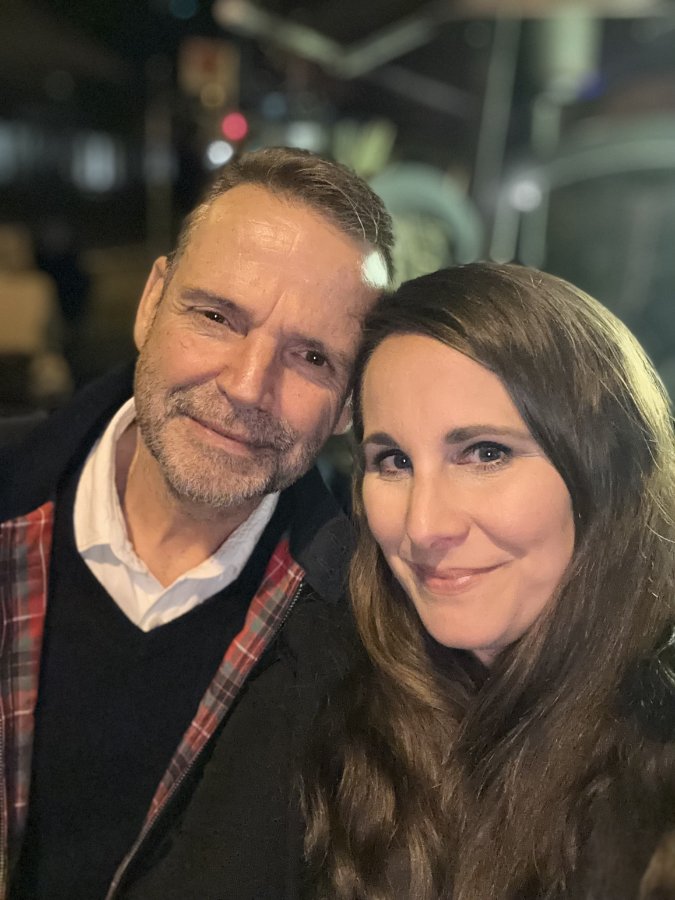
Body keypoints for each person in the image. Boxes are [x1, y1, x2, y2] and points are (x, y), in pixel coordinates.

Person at [0, 146, 394, 900]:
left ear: (349, 403)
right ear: (152, 302)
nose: (247, 386)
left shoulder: (368, 648)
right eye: (216, 317)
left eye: (312, 357)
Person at [304, 263, 675, 900]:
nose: (424, 527)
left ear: (607, 473)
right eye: (393, 461)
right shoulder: (338, 720)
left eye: (485, 453)